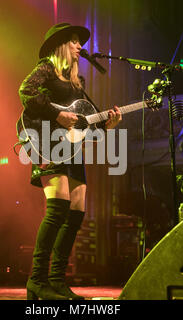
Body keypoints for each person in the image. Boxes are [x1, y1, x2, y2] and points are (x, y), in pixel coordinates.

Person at [18, 23, 122, 300]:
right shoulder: (45, 68)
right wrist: (56, 114)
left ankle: (57, 281)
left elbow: (87, 127)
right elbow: (26, 92)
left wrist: (108, 125)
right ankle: (36, 280)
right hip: (47, 144)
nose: (80, 47)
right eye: (75, 42)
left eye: (80, 42)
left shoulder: (78, 83)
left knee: (76, 214)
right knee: (57, 209)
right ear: (62, 45)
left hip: (72, 151)